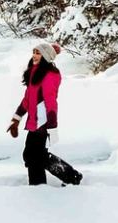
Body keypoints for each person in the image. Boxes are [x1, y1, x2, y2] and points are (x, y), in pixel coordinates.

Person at [7, 42, 83, 186]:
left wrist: (52, 126)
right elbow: (27, 100)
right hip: (33, 121)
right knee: (34, 155)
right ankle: (52, 181)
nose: (35, 55)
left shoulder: (49, 75)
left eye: (38, 53)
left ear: (46, 56)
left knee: (33, 155)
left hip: (43, 121)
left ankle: (65, 178)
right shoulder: (34, 72)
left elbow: (50, 101)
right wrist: (16, 118)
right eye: (34, 52)